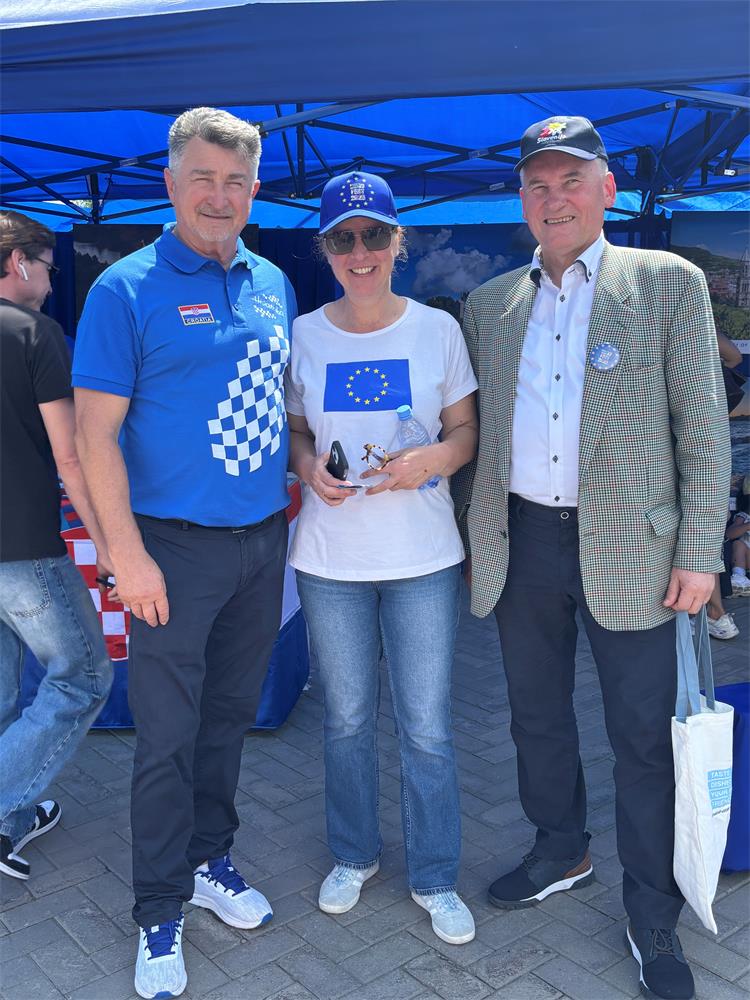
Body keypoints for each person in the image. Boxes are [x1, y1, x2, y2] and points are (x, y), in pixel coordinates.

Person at [451, 117, 730, 1000]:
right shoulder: (490, 304)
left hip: (635, 549)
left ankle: (652, 911)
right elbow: (477, 436)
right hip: (524, 539)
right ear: (521, 199)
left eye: (571, 180)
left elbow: (703, 430)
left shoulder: (668, 283)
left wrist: (702, 551)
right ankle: (560, 849)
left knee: (642, 739)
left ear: (607, 189)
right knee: (535, 717)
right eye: (538, 183)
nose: (554, 197)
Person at [73, 108, 296, 1000]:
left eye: (236, 181)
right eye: (202, 177)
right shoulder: (123, 290)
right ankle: (158, 908)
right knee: (166, 736)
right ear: (170, 183)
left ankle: (210, 860)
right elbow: (94, 438)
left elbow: (275, 401)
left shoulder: (273, 280)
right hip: (169, 549)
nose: (219, 196)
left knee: (228, 719)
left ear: (254, 191)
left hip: (261, 544)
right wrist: (125, 557)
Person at [286, 171, 479, 945]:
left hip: (423, 557)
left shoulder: (437, 330)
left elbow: (465, 431)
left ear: (398, 243)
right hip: (331, 559)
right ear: (326, 249)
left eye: (373, 235)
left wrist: (434, 458)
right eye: (344, 238)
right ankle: (353, 854)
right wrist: (308, 468)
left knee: (427, 727)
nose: (359, 251)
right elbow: (297, 431)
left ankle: (435, 875)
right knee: (346, 720)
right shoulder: (304, 334)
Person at [0, 210, 112, 881]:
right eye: (47, 265)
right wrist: (109, 546)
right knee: (84, 675)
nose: (50, 279)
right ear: (19, 262)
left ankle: (13, 814)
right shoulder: (34, 333)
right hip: (22, 547)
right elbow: (72, 458)